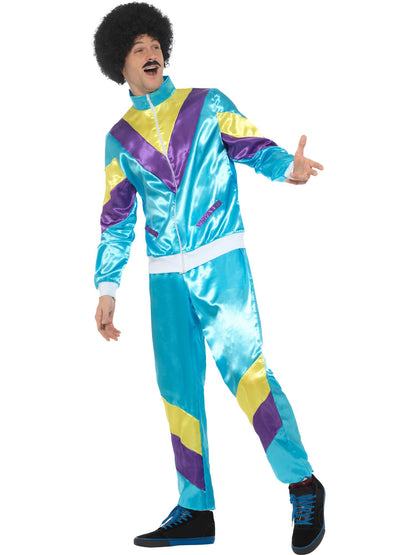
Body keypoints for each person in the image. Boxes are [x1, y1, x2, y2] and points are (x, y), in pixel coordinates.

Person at [93, 3, 326, 553]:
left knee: (247, 374)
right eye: (138, 48)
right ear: (120, 64)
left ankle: (302, 484)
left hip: (220, 262)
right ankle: (195, 509)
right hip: (164, 279)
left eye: (155, 45)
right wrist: (107, 288)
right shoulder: (119, 140)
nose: (151, 53)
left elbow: (255, 147)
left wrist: (288, 170)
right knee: (177, 390)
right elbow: (116, 220)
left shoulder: (207, 104)